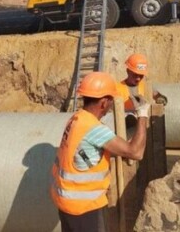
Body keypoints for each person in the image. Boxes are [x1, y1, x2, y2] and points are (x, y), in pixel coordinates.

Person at [51, 71, 150, 232]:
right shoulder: (94, 129)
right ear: (104, 102)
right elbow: (136, 152)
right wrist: (143, 114)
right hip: (85, 207)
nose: (111, 105)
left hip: (66, 204)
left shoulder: (76, 119)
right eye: (111, 100)